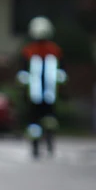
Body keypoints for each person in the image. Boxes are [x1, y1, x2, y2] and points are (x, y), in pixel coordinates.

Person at [17, 16, 66, 158]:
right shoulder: (55, 50)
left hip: (35, 94)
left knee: (35, 121)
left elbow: (22, 73)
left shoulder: (28, 51)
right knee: (48, 119)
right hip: (49, 94)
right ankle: (48, 143)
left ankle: (36, 147)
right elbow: (62, 73)